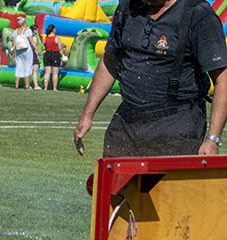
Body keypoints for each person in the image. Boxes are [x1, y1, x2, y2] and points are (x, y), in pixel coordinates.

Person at [74, 0, 227, 157]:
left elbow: (223, 80)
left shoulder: (198, 13)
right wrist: (87, 114)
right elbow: (110, 62)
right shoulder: (128, 6)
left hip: (176, 124)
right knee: (111, 178)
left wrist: (212, 139)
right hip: (127, 121)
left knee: (164, 182)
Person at [10, 17, 35, 90]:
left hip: (18, 50)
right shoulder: (28, 30)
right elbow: (31, 41)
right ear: (24, 22)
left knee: (18, 66)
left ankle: (16, 85)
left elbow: (13, 43)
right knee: (27, 66)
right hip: (27, 50)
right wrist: (37, 49)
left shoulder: (15, 31)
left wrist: (12, 51)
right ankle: (27, 86)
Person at [42, 24, 65, 91]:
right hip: (55, 55)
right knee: (55, 73)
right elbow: (60, 49)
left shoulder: (45, 38)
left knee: (47, 72)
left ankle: (45, 88)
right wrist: (63, 56)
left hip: (47, 54)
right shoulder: (57, 38)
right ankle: (54, 88)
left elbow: (43, 47)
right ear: (53, 30)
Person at [29, 24, 43, 90]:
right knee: (35, 71)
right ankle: (36, 85)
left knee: (30, 71)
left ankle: (28, 84)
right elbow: (34, 47)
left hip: (29, 55)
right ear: (34, 30)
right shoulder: (34, 38)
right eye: (37, 29)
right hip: (34, 54)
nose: (38, 31)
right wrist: (38, 54)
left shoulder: (29, 37)